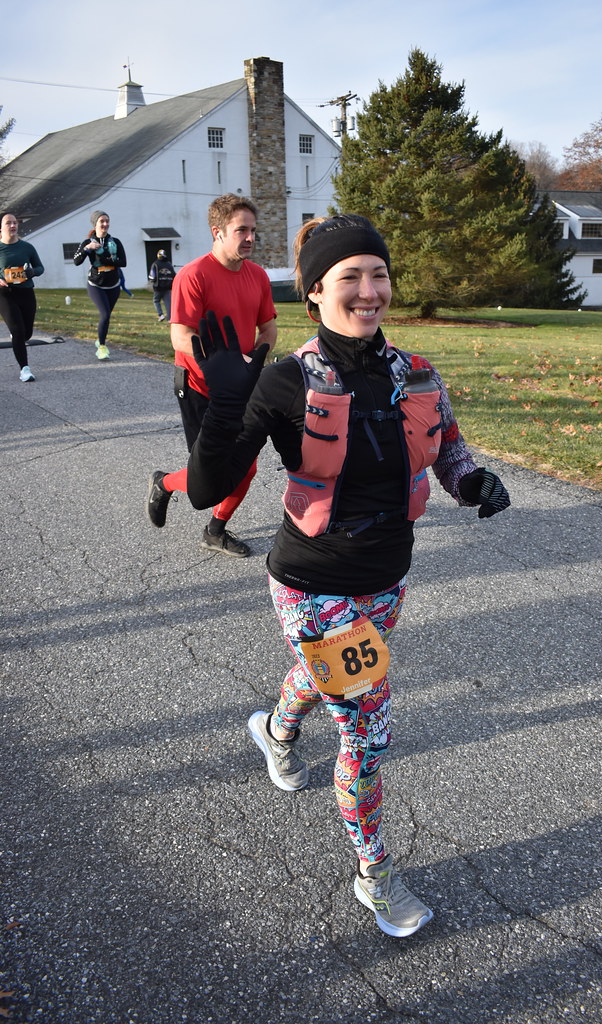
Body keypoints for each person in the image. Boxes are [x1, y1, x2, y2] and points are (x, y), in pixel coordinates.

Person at [185, 214, 511, 937]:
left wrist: (474, 481)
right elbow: (208, 488)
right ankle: (374, 874)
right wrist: (224, 404)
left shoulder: (416, 370)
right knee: (364, 729)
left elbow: (448, 448)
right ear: (314, 294)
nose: (369, 291)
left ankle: (274, 730)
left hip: (387, 575)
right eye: (349, 278)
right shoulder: (289, 379)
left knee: (318, 678)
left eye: (379, 274)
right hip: (310, 581)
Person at [146, 194, 277, 558]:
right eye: (241, 230)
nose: (249, 237)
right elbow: (179, 335)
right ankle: (165, 483)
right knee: (209, 475)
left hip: (243, 387)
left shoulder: (258, 276)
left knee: (245, 467)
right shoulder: (193, 275)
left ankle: (215, 530)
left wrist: (253, 359)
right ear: (217, 232)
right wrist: (219, 363)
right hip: (199, 386)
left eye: (253, 230)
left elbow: (268, 328)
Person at [73, 210, 126, 360]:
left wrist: (104, 254)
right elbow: (76, 261)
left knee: (107, 317)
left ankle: (100, 339)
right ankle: (102, 347)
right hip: (96, 284)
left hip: (113, 284)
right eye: (102, 221)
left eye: (107, 221)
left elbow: (123, 262)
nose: (105, 224)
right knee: (105, 314)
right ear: (95, 224)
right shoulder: (88, 242)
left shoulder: (115, 242)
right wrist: (87, 249)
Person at [0, 211, 44, 383]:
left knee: (26, 333)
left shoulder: (27, 247)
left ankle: (18, 336)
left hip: (26, 292)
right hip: (4, 294)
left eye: (15, 223)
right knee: (18, 330)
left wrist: (32, 272)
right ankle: (24, 369)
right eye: (8, 223)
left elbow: (40, 268)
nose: (13, 226)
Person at [148, 249, 176, 321]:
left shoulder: (155, 264)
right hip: (168, 287)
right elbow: (174, 275)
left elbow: (152, 277)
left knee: (156, 300)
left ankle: (161, 315)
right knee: (168, 303)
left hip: (158, 287)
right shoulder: (169, 264)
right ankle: (170, 318)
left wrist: (152, 282)